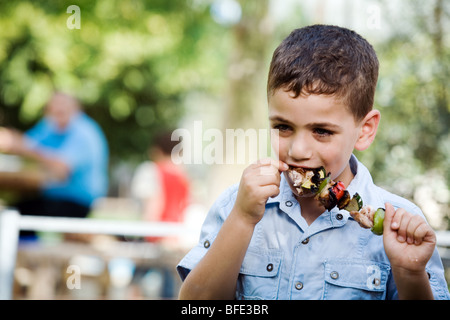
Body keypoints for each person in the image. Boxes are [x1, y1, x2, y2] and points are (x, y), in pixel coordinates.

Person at [177, 25, 450, 300]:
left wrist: (410, 274)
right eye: (283, 127)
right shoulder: (236, 206)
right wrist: (242, 219)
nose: (298, 150)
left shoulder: (401, 225)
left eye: (321, 131)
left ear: (365, 130)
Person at [0, 92, 109, 234]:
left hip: (75, 202)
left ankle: (19, 252)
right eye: (53, 107)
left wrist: (24, 148)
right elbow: (27, 144)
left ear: (76, 108)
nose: (57, 110)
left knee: (14, 215)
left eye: (62, 106)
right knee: (14, 212)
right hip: (51, 197)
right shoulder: (51, 125)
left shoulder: (84, 131)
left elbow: (61, 170)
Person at [130, 130, 190, 241]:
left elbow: (152, 208)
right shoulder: (183, 177)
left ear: (156, 150)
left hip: (155, 236)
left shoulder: (150, 171)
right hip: (175, 237)